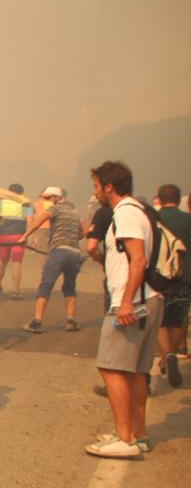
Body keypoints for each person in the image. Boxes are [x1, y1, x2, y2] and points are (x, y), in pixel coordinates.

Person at [84, 161, 161, 459]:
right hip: (148, 298)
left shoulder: (125, 213)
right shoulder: (140, 210)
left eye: (96, 186)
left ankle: (124, 438)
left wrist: (126, 302)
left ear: (109, 187)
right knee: (136, 373)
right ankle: (137, 435)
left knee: (111, 366)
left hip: (132, 301)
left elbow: (138, 260)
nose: (96, 192)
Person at [19, 186, 84, 333]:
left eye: (48, 198)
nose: (45, 200)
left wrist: (26, 236)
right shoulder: (73, 211)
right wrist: (72, 239)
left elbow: (35, 219)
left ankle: (37, 322)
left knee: (46, 284)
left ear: (56, 198)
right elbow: (83, 230)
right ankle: (70, 320)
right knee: (69, 286)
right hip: (74, 252)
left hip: (52, 243)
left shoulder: (36, 205)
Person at [156, 184, 190, 387]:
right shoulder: (188, 220)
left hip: (159, 277)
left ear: (159, 199)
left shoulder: (154, 219)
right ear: (179, 200)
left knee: (160, 320)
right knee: (178, 319)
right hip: (184, 276)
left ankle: (166, 355)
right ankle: (171, 356)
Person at [0, 183, 28, 299]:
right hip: (19, 236)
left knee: (2, 261)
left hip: (3, 236)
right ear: (21, 193)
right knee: (16, 263)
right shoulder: (26, 204)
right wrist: (28, 235)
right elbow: (31, 221)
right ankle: (15, 291)